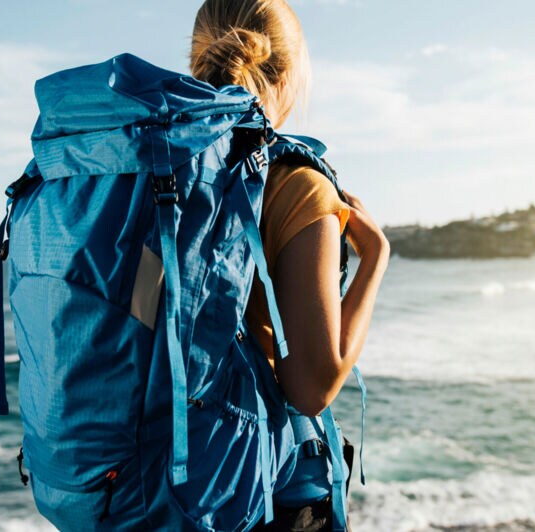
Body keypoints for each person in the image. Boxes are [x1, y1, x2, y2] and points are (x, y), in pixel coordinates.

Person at [189, 0, 390, 528]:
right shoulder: (297, 186)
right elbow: (310, 389)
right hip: (253, 496)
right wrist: (374, 259)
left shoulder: (160, 173)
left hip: (146, 486)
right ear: (290, 73)